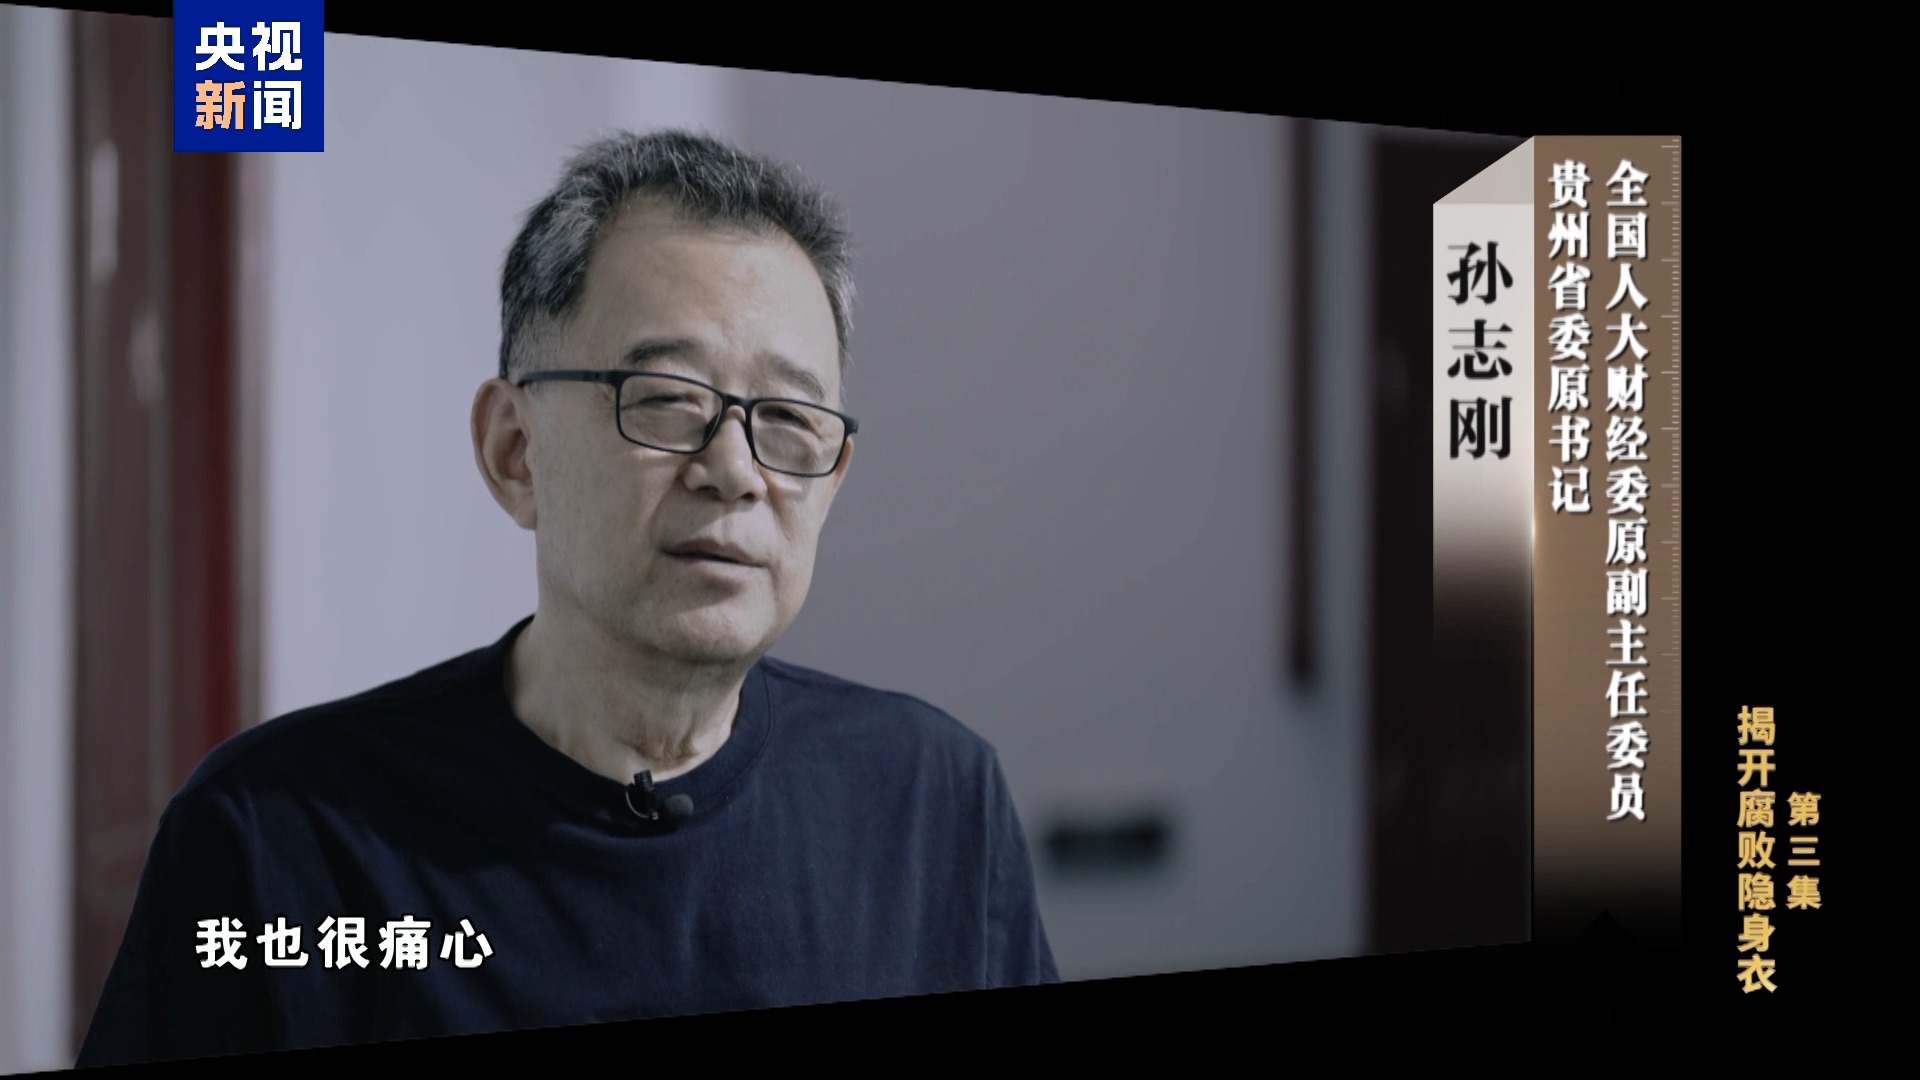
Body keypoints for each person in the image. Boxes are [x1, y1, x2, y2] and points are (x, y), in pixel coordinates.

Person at [75, 128, 1058, 1067]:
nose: (735, 471)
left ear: (832, 479)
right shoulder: (280, 838)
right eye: (667, 400)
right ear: (515, 451)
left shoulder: (933, 804)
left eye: (788, 422)